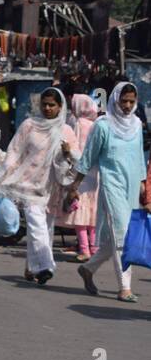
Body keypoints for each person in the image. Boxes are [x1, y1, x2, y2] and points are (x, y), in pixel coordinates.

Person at [0, 87, 78, 285]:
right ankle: (46, 266)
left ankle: (32, 267)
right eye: (45, 104)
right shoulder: (29, 125)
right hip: (28, 184)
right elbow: (15, 150)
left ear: (60, 107)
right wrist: (6, 172)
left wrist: (68, 153)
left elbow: (78, 159)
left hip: (51, 187)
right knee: (36, 224)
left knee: (45, 228)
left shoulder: (66, 131)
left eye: (52, 105)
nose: (48, 108)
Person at [74, 81, 144, 302]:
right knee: (121, 234)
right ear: (115, 99)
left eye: (132, 101)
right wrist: (74, 186)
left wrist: (143, 185)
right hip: (111, 185)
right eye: (124, 101)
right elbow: (88, 158)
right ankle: (125, 287)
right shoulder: (103, 126)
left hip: (131, 186)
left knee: (119, 237)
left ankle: (88, 268)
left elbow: (140, 157)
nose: (127, 105)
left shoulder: (137, 125)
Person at [57, 93, 100, 261]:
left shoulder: (77, 123)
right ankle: (95, 248)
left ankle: (84, 250)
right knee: (93, 213)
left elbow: (74, 148)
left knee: (79, 212)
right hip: (96, 173)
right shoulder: (96, 124)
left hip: (81, 173)